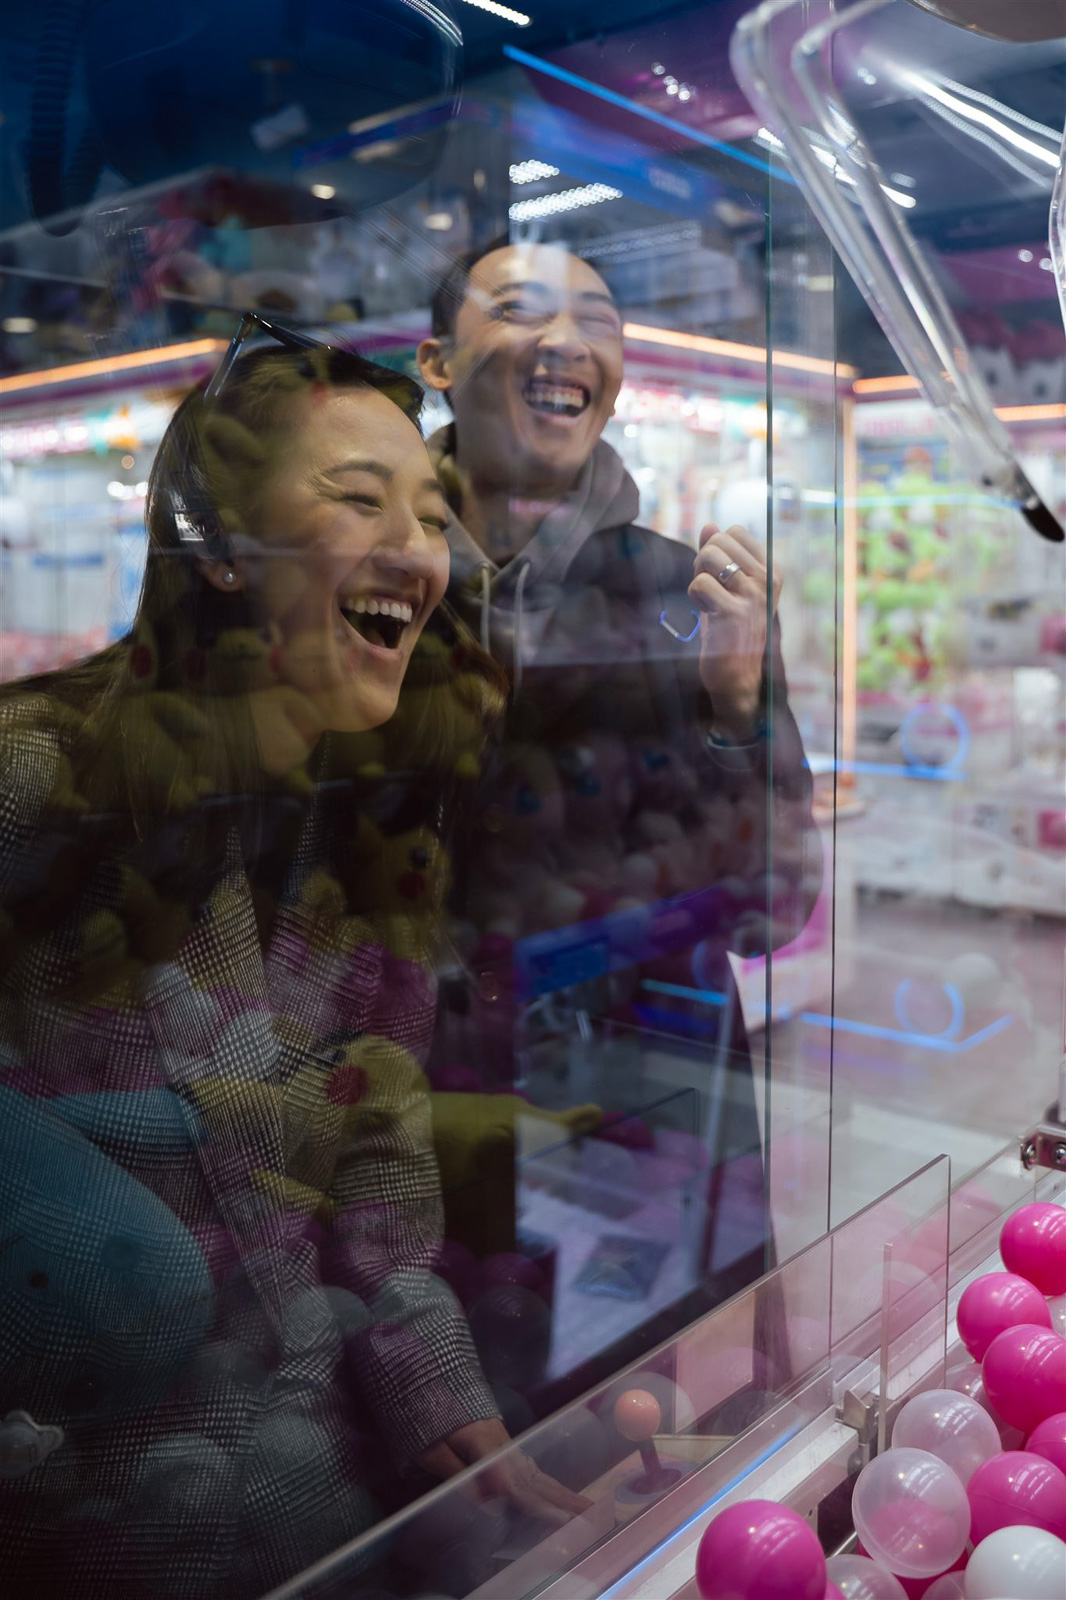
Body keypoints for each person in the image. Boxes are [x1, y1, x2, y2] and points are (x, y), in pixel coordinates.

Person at [0, 322, 584, 1600]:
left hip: (306, 1493)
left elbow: (373, 1118)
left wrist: (442, 1399)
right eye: (356, 497)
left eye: (430, 513)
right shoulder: (42, 767)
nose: (416, 552)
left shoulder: (371, 819)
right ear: (216, 544)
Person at [416, 241, 822, 1391]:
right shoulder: (378, 576)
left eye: (595, 316)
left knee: (660, 1456)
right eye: (522, 310)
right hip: (427, 1104)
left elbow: (771, 910)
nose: (565, 341)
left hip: (650, 1098)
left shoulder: (684, 596)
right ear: (437, 359)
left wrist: (744, 702)